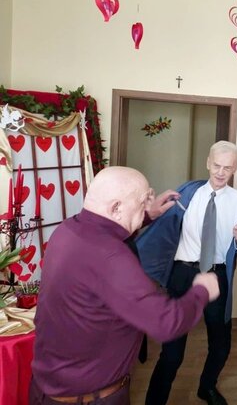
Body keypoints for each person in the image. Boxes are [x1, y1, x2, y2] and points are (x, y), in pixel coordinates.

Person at [29, 167, 220, 405]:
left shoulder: (67, 230)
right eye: (143, 201)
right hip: (91, 398)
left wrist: (147, 215)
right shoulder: (111, 257)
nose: (146, 205)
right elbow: (166, 322)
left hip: (45, 389)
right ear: (116, 207)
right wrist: (202, 290)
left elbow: (109, 230)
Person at [137, 141, 237, 405]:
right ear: (208, 163)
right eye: (217, 165)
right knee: (172, 352)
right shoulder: (187, 194)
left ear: (235, 168)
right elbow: (159, 229)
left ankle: (207, 387)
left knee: (220, 344)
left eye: (227, 167)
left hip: (217, 276)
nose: (221, 172)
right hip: (183, 274)